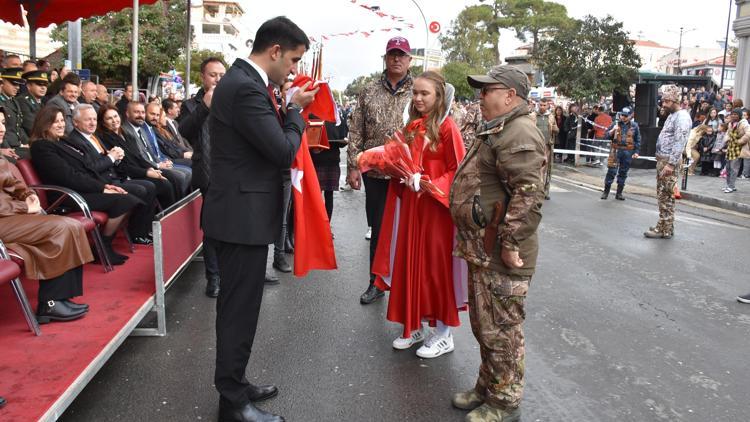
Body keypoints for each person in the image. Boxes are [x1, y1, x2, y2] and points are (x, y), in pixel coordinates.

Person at [201, 16, 317, 422]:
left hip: (242, 214)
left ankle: (236, 383)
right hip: (239, 217)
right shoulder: (246, 88)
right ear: (274, 51)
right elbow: (282, 150)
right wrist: (295, 113)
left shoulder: (246, 84)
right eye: (294, 60)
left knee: (243, 309)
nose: (295, 70)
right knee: (238, 311)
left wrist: (285, 108)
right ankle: (232, 403)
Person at [450, 65, 545, 422]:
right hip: (483, 247)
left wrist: (509, 243)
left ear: (510, 95)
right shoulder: (498, 127)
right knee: (484, 326)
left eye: (488, 90)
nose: (481, 95)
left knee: (502, 330)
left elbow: (528, 196)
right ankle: (488, 387)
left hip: (502, 251)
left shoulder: (518, 133)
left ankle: (504, 400)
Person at [372, 71, 467, 359]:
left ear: (439, 96)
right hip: (413, 209)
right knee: (410, 265)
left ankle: (443, 333)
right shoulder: (411, 127)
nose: (418, 98)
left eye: (425, 93)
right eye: (415, 92)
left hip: (437, 212)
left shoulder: (448, 128)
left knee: (435, 269)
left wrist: (430, 184)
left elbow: (458, 170)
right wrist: (396, 171)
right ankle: (413, 325)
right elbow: (396, 157)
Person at [0, 108, 93, 323]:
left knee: (71, 225)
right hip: (6, 220)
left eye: (4, 122)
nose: (3, 128)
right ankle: (49, 303)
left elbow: (14, 185)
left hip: (12, 217)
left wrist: (28, 195)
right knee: (60, 228)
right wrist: (25, 209)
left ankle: (61, 298)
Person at [347, 36, 414, 305]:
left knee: (407, 233)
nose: (396, 58)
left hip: (408, 176)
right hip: (374, 173)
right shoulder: (368, 89)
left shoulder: (419, 89)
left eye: (402, 55)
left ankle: (405, 286)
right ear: (385, 58)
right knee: (378, 231)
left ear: (410, 60)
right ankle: (375, 282)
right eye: (392, 54)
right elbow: (355, 128)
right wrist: (353, 166)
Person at [29, 106, 139, 265]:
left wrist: (106, 186)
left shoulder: (64, 141)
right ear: (44, 124)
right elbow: (68, 176)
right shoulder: (42, 146)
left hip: (81, 188)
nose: (60, 125)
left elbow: (86, 169)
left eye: (62, 120)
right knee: (125, 201)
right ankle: (103, 246)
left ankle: (101, 245)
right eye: (55, 122)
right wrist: (102, 188)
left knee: (128, 199)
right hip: (65, 195)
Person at [68, 104, 157, 244]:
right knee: (142, 189)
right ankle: (133, 235)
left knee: (149, 187)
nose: (92, 123)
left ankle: (143, 231)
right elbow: (90, 168)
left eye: (94, 119)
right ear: (75, 122)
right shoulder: (75, 140)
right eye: (87, 120)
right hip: (101, 184)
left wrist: (115, 158)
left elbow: (106, 160)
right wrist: (111, 158)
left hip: (113, 178)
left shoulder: (92, 137)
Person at [177, 57, 228, 297]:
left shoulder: (233, 101)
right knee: (212, 227)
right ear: (203, 77)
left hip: (233, 171)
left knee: (234, 225)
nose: (218, 79)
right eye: (213, 75)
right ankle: (214, 276)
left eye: (221, 74)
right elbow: (185, 131)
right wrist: (205, 106)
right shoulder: (191, 104)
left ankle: (232, 273)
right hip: (207, 172)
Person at [97, 103, 176, 208]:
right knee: (161, 185)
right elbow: (122, 166)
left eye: (115, 116)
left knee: (165, 181)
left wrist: (151, 168)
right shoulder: (105, 138)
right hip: (127, 175)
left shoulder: (125, 133)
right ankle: (159, 218)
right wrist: (146, 172)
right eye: (109, 118)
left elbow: (138, 157)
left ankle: (168, 216)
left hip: (138, 170)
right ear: (103, 122)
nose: (114, 120)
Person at [644, 85, 691, 239]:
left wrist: (670, 164)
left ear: (674, 100)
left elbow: (679, 141)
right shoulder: (672, 115)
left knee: (666, 196)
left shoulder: (682, 117)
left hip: (668, 162)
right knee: (663, 195)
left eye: (666, 101)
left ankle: (664, 229)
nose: (663, 104)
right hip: (663, 160)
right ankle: (665, 225)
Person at [121, 101, 190, 199]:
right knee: (178, 177)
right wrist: (158, 165)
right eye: (136, 112)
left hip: (155, 164)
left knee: (187, 172)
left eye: (142, 112)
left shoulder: (141, 129)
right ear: (127, 113)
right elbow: (141, 157)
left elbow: (152, 153)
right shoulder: (126, 131)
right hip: (144, 169)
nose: (140, 115)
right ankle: (176, 209)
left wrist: (163, 161)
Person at [601, 107, 640, 200]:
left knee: (623, 172)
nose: (623, 117)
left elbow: (637, 140)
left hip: (627, 152)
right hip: (615, 151)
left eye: (626, 116)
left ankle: (619, 193)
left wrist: (636, 152)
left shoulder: (635, 126)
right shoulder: (615, 124)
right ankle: (606, 192)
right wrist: (612, 131)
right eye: (622, 115)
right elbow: (605, 136)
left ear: (631, 115)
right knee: (611, 171)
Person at [533, 98, 558, 200]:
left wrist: (555, 129)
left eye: (544, 105)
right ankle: (535, 191)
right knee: (535, 169)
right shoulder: (533, 116)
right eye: (541, 105)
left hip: (547, 146)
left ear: (548, 106)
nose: (542, 107)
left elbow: (555, 129)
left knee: (546, 169)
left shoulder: (551, 117)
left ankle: (544, 191)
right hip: (535, 147)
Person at [0, 67, 28, 160]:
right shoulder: (2, 102)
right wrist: (7, 148)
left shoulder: (14, 101)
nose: (17, 87)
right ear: (3, 82)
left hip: (17, 145)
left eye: (18, 84)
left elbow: (19, 127)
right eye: (13, 83)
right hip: (8, 146)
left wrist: (27, 143)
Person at [18, 70, 48, 150]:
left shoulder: (42, 102)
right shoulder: (23, 101)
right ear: (28, 86)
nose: (43, 87)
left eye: (45, 85)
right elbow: (31, 127)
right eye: (39, 84)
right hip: (32, 142)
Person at [722, 110, 749, 193]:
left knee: (734, 168)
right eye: (732, 114)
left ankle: (731, 186)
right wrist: (726, 139)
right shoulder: (730, 123)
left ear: (739, 115)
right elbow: (727, 133)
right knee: (728, 167)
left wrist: (740, 141)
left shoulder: (744, 123)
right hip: (731, 147)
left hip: (738, 149)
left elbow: (748, 133)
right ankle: (729, 185)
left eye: (735, 114)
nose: (733, 116)